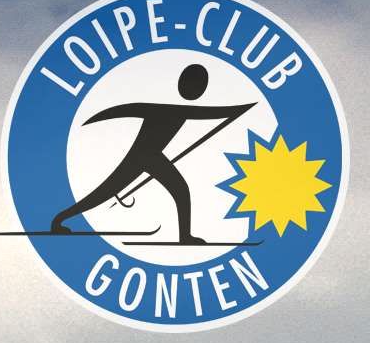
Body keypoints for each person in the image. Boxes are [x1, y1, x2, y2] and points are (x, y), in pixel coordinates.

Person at [48, 63, 250, 243]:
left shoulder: (176, 109)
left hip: (153, 157)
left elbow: (209, 113)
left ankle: (185, 236)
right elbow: (130, 109)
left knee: (180, 190)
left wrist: (238, 110)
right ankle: (58, 220)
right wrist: (238, 109)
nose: (195, 90)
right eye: (193, 85)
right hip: (141, 157)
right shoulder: (170, 109)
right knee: (103, 193)